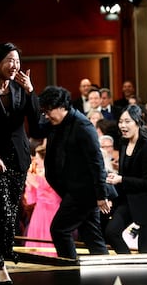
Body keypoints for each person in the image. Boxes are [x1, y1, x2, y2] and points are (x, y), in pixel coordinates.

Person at [0, 42, 42, 285]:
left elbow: (36, 125)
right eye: (9, 60)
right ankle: (0, 263)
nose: (14, 65)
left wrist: (31, 92)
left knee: (9, 214)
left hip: (18, 161)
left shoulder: (20, 91)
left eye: (17, 60)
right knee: (0, 211)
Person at [38, 85, 111, 260]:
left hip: (83, 191)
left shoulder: (83, 126)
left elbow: (97, 164)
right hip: (73, 189)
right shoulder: (57, 123)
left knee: (59, 229)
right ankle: (107, 276)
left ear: (61, 107)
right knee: (91, 236)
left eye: (48, 111)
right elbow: (36, 128)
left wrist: (101, 195)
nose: (46, 116)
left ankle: (69, 271)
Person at [105, 105, 147, 254]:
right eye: (120, 121)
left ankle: (143, 276)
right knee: (111, 232)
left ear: (138, 122)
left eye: (127, 121)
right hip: (130, 200)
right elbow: (124, 174)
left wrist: (121, 179)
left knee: (145, 250)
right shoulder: (123, 143)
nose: (123, 125)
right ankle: (128, 264)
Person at [25, 144, 61, 249]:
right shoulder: (39, 174)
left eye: (37, 157)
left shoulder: (53, 173)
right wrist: (30, 185)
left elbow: (53, 194)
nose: (35, 161)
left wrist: (35, 184)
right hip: (40, 210)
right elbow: (32, 200)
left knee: (48, 235)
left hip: (51, 210)